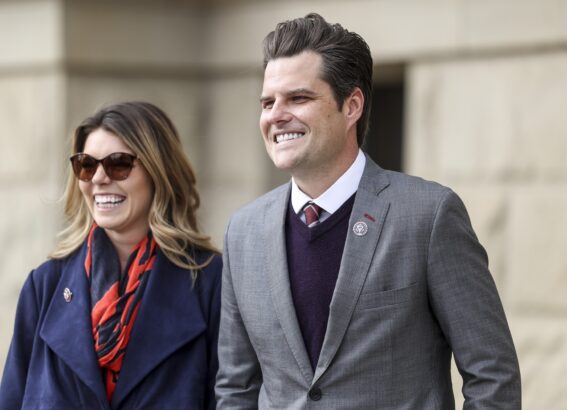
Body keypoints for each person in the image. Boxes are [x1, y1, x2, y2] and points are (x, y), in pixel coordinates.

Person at [216, 13, 521, 409]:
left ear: (352, 105)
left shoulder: (428, 216)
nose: (276, 114)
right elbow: (234, 388)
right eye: (268, 102)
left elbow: (493, 374)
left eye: (299, 98)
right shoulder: (243, 232)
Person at [0, 101, 222, 409]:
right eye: (86, 165)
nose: (99, 178)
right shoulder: (45, 286)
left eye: (119, 163)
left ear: (160, 172)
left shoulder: (211, 283)